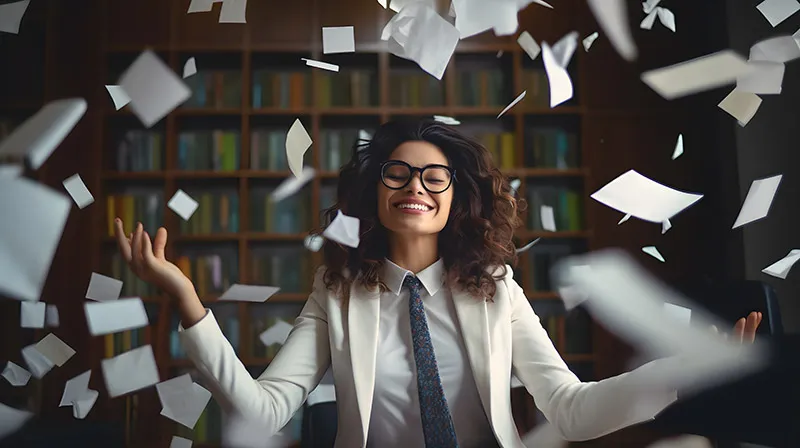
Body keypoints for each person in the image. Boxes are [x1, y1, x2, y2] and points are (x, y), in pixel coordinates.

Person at [114, 119, 761, 448]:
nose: (414, 187)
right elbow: (265, 410)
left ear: (458, 198)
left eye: (433, 177)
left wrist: (683, 374)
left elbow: (570, 406)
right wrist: (186, 298)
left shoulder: (498, 289)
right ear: (374, 195)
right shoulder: (334, 293)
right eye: (396, 174)